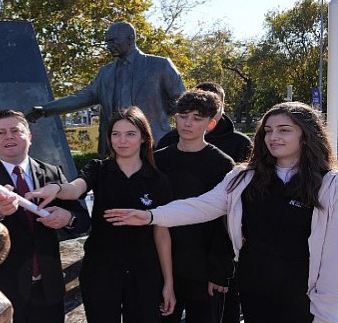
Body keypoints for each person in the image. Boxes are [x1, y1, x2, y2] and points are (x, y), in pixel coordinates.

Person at [109, 102, 338, 323]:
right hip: (254, 285)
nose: (273, 137)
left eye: (284, 130)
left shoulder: (329, 186)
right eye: (268, 130)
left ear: (306, 135)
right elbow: (202, 206)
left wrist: (327, 310)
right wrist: (151, 216)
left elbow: (333, 257)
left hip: (302, 292)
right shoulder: (244, 178)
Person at [27, 106, 175, 322]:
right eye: (116, 134)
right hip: (101, 272)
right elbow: (76, 188)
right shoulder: (99, 169)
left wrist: (168, 284)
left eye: (130, 134)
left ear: (144, 138)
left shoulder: (158, 180)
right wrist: (57, 188)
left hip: (144, 274)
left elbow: (162, 235)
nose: (122, 140)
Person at [0, 109, 91, 323]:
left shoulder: (52, 173)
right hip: (2, 290)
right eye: (1, 133)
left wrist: (67, 217)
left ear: (29, 136)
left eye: (15, 130)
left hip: (48, 289)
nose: (9, 136)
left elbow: (82, 220)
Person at [158, 82, 251, 323]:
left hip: (204, 269)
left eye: (197, 118)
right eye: (183, 116)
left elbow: (229, 222)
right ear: (175, 119)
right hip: (161, 265)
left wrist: (220, 271)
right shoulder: (158, 160)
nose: (188, 123)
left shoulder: (223, 165)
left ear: (210, 123)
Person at [26, 21, 186, 154]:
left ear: (130, 39)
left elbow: (182, 101)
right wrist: (46, 109)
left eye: (113, 41)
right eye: (107, 42)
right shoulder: (106, 73)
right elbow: (82, 98)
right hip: (116, 147)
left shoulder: (159, 65)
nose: (109, 46)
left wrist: (158, 114)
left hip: (154, 143)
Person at [157, 82, 252, 163]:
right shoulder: (168, 140)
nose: (188, 123)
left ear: (223, 106)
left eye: (214, 105)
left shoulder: (241, 143)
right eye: (184, 116)